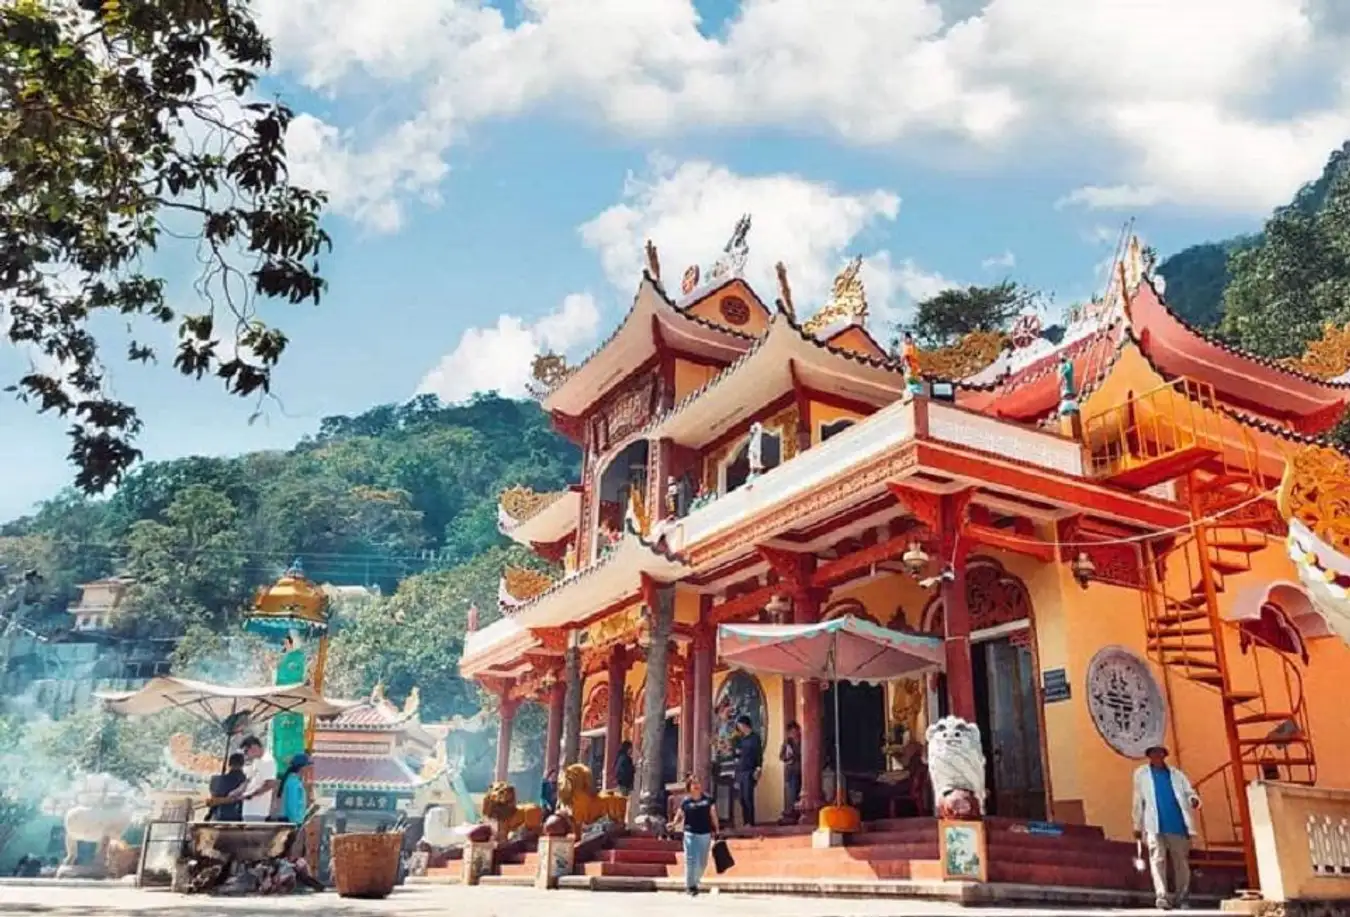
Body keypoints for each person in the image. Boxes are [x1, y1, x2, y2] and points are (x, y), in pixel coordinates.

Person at [1132, 744, 1200, 911]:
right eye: (1153, 753)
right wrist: (1137, 824)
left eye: (1159, 753)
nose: (1157, 756)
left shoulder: (1177, 775)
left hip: (1177, 825)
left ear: (1164, 755)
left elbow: (1189, 792)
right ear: (1149, 756)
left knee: (1181, 863)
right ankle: (1161, 896)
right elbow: (1138, 800)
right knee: (1157, 861)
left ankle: (1182, 896)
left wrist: (1193, 799)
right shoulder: (1142, 774)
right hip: (1153, 825)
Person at [671, 773, 719, 897]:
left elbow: (713, 815)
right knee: (690, 859)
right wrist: (673, 823)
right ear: (689, 787)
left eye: (698, 783)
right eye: (694, 784)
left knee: (702, 862)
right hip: (690, 833)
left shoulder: (708, 799)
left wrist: (717, 829)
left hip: (705, 833)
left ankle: (695, 881)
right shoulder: (686, 802)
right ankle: (690, 886)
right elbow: (679, 815)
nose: (696, 786)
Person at [234, 735, 278, 821]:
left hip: (258, 811)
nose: (246, 755)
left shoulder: (268, 761)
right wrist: (237, 791)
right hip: (249, 809)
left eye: (246, 751)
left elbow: (270, 784)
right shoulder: (256, 761)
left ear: (254, 748)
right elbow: (248, 780)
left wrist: (250, 795)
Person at [732, 715, 763, 829]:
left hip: (750, 771)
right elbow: (736, 755)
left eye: (739, 725)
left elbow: (759, 754)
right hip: (740, 771)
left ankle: (751, 822)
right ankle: (746, 822)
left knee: (748, 796)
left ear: (745, 724)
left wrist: (759, 768)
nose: (739, 727)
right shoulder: (740, 739)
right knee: (741, 798)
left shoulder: (755, 738)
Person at [208, 753, 248, 821]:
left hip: (218, 817)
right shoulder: (246, 780)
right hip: (239, 818)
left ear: (229, 764)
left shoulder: (215, 780)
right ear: (243, 764)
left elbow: (212, 799)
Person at [779, 721, 801, 821]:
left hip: (801, 771)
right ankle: (792, 814)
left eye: (794, 730)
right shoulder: (787, 743)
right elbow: (781, 756)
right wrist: (788, 757)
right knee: (792, 792)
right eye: (791, 732)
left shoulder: (803, 740)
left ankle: (797, 814)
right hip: (791, 771)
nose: (793, 733)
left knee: (799, 792)